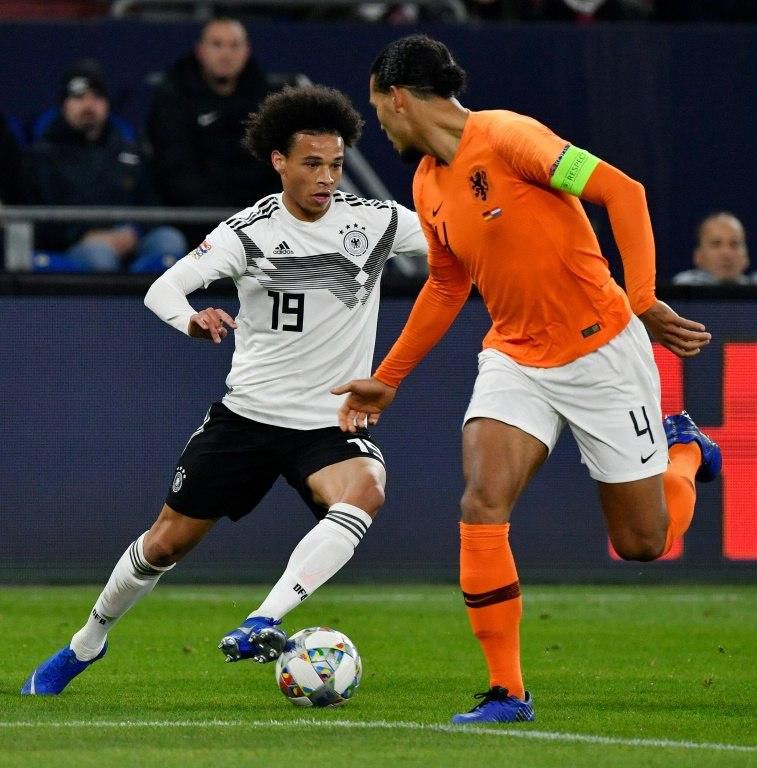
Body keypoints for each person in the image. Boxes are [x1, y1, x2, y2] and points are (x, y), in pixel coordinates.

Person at [332, 35, 722, 724]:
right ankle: (507, 693)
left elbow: (621, 190)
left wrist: (642, 298)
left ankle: (684, 450)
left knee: (642, 543)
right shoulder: (425, 183)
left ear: (398, 98)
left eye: (376, 107)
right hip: (514, 357)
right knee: (482, 501)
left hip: (602, 352)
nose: (378, 122)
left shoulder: (510, 137)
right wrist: (387, 379)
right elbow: (446, 286)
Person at [21, 84, 427, 696]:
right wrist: (191, 319)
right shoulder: (248, 232)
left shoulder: (376, 222)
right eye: (312, 164)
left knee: (365, 490)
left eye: (336, 164)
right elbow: (162, 288)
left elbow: (460, 237)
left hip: (329, 422)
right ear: (279, 161)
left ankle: (264, 618)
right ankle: (87, 642)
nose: (327, 178)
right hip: (249, 418)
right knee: (164, 545)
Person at [24, 60, 186, 273]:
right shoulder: (42, 155)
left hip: (129, 238)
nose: (88, 106)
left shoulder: (128, 149)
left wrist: (135, 231)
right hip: (76, 245)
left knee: (170, 240)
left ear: (107, 104)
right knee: (100, 256)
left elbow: (151, 202)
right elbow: (39, 219)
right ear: (64, 105)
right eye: (79, 97)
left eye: (96, 97)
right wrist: (84, 235)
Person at [146, 17, 279, 215]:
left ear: (247, 51)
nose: (226, 54)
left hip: (254, 215)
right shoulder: (173, 97)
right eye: (217, 44)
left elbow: (274, 165)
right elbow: (173, 167)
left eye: (234, 45)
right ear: (200, 51)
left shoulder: (267, 100)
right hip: (189, 216)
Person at [672, 212, 751, 285]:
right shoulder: (682, 287)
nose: (726, 253)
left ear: (745, 257)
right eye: (716, 244)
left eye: (734, 244)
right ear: (698, 256)